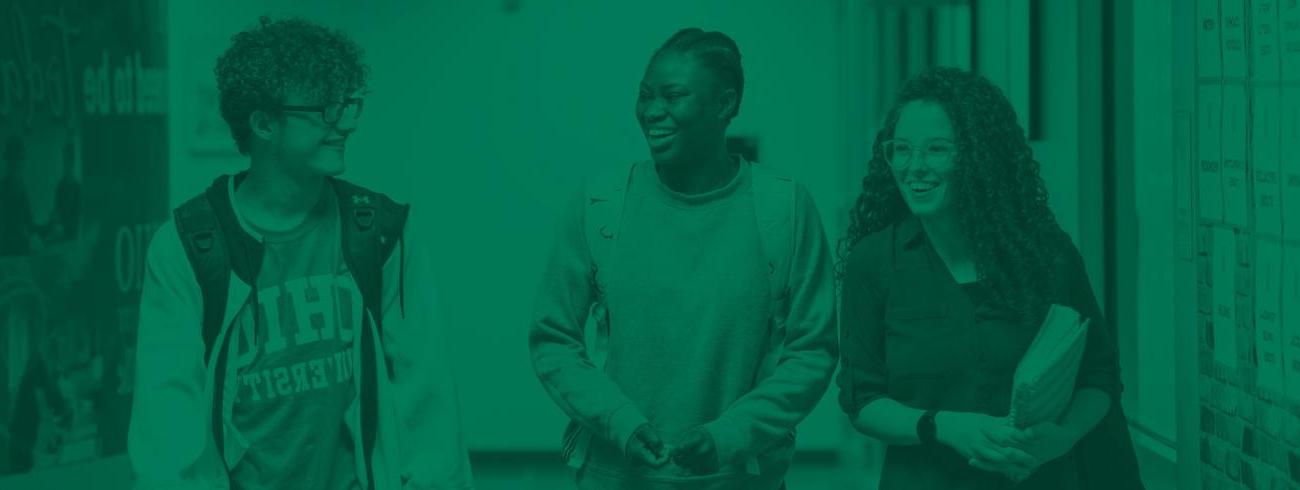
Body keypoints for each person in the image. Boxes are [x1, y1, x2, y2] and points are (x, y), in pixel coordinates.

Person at [128, 17, 473, 490]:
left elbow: (429, 406)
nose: (345, 124)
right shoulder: (187, 246)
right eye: (324, 109)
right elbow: (166, 424)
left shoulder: (381, 232)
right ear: (264, 122)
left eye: (348, 104)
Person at [529, 28, 837, 490]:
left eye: (673, 96)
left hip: (738, 476)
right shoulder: (600, 205)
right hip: (615, 476)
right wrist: (620, 422)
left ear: (724, 104)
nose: (653, 111)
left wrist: (731, 435)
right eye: (645, 95)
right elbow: (553, 340)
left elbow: (812, 351)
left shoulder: (784, 209)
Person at [836, 67, 1144, 489]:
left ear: (978, 156)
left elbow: (1100, 374)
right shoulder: (874, 263)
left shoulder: (1047, 254)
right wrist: (943, 426)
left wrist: (1063, 437)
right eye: (901, 149)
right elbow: (861, 401)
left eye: (937, 150)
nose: (914, 167)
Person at [0, 135, 38, 256]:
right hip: (7, 255)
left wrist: (49, 227)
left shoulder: (22, 188)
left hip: (22, 252)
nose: (20, 165)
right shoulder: (3, 189)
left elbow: (30, 224)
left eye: (21, 160)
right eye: (16, 161)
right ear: (10, 163)